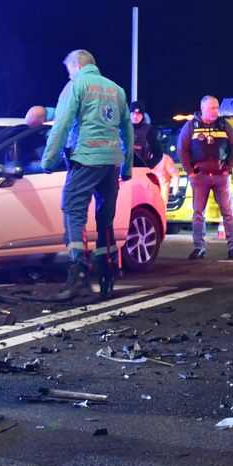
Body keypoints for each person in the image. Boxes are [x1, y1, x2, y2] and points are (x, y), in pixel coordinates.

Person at [41, 49, 133, 301]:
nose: (69, 75)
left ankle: (78, 274)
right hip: (111, 162)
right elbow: (127, 129)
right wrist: (127, 167)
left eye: (69, 71)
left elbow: (62, 123)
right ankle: (108, 274)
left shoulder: (77, 85)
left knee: (72, 208)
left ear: (76, 66)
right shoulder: (116, 89)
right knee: (105, 219)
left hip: (85, 159)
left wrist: (48, 159)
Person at [178, 96, 233, 260]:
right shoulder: (191, 126)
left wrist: (228, 168)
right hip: (200, 177)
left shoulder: (224, 125)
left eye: (217, 107)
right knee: (198, 214)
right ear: (202, 108)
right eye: (212, 108)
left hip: (221, 177)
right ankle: (199, 248)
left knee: (228, 213)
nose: (215, 111)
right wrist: (190, 172)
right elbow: (181, 150)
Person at [130, 100, 163, 168]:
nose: (135, 117)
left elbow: (158, 153)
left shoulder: (149, 130)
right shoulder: (121, 129)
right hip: (122, 171)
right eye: (133, 114)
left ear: (143, 115)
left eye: (138, 114)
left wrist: (149, 166)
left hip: (141, 170)